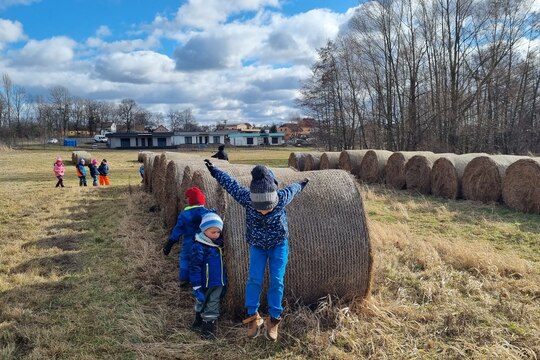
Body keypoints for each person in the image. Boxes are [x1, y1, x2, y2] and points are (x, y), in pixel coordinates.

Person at [204, 159, 309, 341]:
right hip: (258, 247)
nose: (263, 212)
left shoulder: (282, 197)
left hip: (278, 245)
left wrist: (302, 183)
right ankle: (253, 316)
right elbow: (231, 185)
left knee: (277, 280)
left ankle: (274, 319)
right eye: (259, 208)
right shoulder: (247, 198)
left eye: (267, 208)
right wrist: (214, 171)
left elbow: (294, 188)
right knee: (254, 279)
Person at [163, 187, 213, 287]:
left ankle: (184, 279)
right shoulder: (207, 214)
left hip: (189, 242)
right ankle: (202, 280)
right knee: (202, 259)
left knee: (185, 258)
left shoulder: (184, 215)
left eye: (187, 198)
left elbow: (177, 231)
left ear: (190, 200)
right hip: (203, 241)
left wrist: (169, 244)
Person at [189, 212, 227, 340]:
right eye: (213, 232)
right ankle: (198, 319)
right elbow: (194, 268)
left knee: (213, 304)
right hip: (204, 283)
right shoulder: (198, 247)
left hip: (218, 283)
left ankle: (207, 331)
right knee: (201, 302)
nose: (216, 235)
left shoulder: (219, 245)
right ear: (204, 230)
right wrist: (196, 286)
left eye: (218, 232)